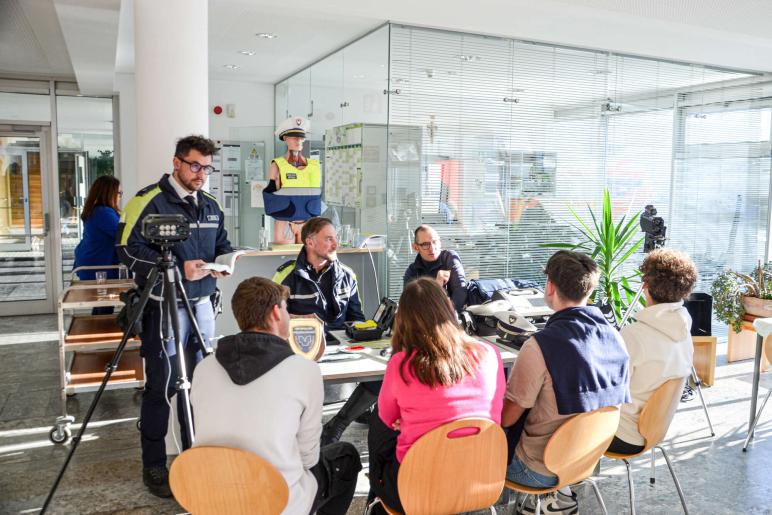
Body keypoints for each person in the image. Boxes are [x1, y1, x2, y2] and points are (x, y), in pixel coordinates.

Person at [117, 135, 233, 498]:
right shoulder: (146, 201)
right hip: (163, 307)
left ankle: (196, 455)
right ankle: (153, 464)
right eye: (195, 165)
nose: (201, 174)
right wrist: (177, 268)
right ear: (177, 162)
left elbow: (222, 245)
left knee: (201, 387)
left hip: (203, 307)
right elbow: (126, 250)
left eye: (207, 168)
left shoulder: (212, 205)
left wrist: (223, 263)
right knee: (162, 387)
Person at [192, 277, 361, 515]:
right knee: (345, 457)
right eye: (285, 308)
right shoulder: (304, 370)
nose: (289, 315)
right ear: (275, 313)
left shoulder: (205, 368)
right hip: (277, 500)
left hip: (214, 496)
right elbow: (308, 458)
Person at [501, 250, 629, 512]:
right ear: (589, 289)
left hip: (539, 469)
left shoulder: (539, 346)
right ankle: (556, 500)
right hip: (586, 459)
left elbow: (507, 418)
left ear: (549, 286)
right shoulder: (615, 337)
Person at [367, 277, 505, 514]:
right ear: (449, 309)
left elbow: (388, 418)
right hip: (479, 481)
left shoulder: (400, 365)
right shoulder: (490, 354)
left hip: (415, 490)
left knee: (378, 424)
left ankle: (375, 500)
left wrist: (407, 421)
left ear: (403, 321)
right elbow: (496, 412)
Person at [272, 217, 372, 446]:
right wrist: (299, 320)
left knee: (383, 375)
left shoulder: (348, 274)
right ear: (309, 242)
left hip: (340, 348)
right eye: (328, 239)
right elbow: (271, 320)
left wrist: (370, 334)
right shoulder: (286, 275)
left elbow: (356, 319)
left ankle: (339, 424)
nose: (335, 244)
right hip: (300, 351)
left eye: (335, 239)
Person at [607, 249, 697, 455]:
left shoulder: (633, 336)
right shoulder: (684, 329)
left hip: (621, 435)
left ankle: (567, 478)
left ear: (645, 286)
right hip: (655, 432)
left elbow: (606, 392)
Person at [263, 116, 322, 244]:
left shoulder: (315, 166)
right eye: (295, 137)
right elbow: (270, 196)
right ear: (285, 138)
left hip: (310, 223)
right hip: (285, 223)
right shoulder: (277, 165)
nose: (299, 140)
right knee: (284, 257)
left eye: (301, 137)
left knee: (308, 259)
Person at [403, 225, 468, 312]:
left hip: (452, 318)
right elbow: (411, 306)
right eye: (425, 244)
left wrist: (448, 318)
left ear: (440, 242)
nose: (432, 248)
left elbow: (460, 291)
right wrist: (436, 285)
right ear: (416, 247)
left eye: (434, 242)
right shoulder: (412, 271)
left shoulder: (449, 257)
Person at [73, 175, 121, 280]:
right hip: (96, 265)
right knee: (100, 295)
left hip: (90, 260)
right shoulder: (103, 212)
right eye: (119, 193)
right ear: (109, 193)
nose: (119, 197)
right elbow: (123, 234)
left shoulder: (97, 210)